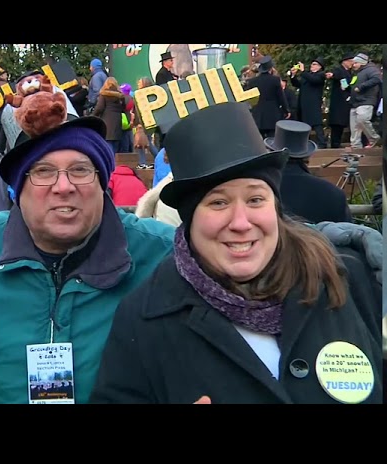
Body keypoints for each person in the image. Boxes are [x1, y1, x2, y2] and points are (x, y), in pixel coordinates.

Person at [90, 102, 382, 404]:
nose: (241, 223)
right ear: (191, 220)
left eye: (256, 199)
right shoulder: (145, 318)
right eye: (218, 203)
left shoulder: (346, 280)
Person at [0, 109, 177, 404]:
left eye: (80, 170)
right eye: (43, 171)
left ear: (102, 184)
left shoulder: (163, 253)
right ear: (18, 189)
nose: (63, 187)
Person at [264, 120, 352, 224]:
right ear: (307, 156)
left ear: (271, 152)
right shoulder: (335, 194)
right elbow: (346, 234)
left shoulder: (261, 190)